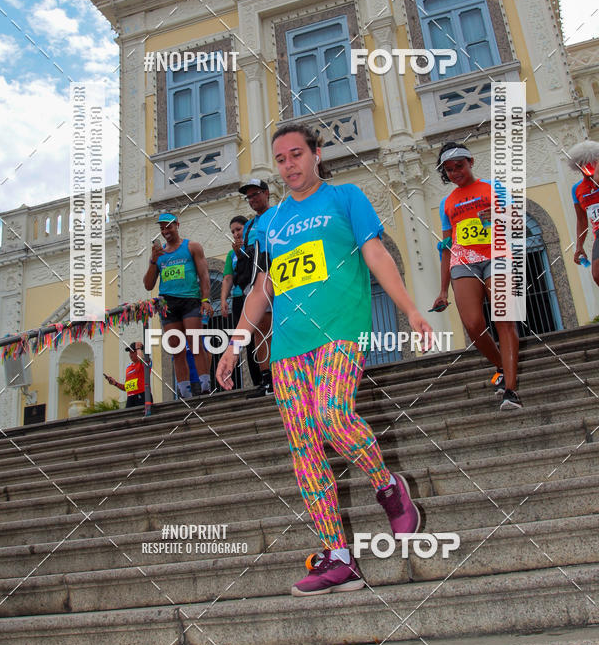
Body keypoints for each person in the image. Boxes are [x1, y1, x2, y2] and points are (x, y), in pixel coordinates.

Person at [216, 123, 433, 596]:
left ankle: (388, 486)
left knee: (333, 416)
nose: (289, 164)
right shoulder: (269, 223)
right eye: (281, 158)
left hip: (340, 329)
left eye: (297, 154)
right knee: (304, 447)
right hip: (289, 347)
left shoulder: (346, 197)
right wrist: (236, 344)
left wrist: (410, 309)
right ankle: (337, 556)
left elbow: (375, 253)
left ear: (316, 154)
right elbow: (262, 289)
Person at [431, 142, 521, 411]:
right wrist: (442, 290)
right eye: (449, 170)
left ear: (470, 161)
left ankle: (510, 390)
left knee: (504, 319)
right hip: (463, 261)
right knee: (472, 324)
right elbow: (447, 247)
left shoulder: (494, 187)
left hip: (497, 255)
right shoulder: (447, 203)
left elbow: (516, 219)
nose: (455, 172)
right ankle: (500, 364)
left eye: (459, 166)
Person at [143, 212, 213, 399]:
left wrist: (205, 300)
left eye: (169, 226)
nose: (165, 230)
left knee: (195, 343)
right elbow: (148, 284)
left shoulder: (192, 247)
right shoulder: (159, 255)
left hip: (190, 300)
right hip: (168, 303)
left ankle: (205, 385)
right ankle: (184, 391)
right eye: (162, 228)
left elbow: (204, 276)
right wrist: (152, 261)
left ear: (177, 225)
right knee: (176, 348)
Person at [237, 180, 274, 397]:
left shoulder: (279, 214)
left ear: (267, 193)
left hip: (281, 277)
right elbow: (249, 257)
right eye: (249, 197)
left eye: (256, 194)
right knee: (260, 329)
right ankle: (267, 379)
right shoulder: (249, 226)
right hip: (258, 281)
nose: (252, 200)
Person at [220, 215, 260, 388]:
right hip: (239, 298)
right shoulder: (231, 254)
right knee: (247, 339)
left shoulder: (256, 245)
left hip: (257, 295)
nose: (236, 234)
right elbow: (228, 277)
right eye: (233, 231)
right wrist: (223, 299)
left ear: (247, 228)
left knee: (262, 335)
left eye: (239, 229)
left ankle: (270, 376)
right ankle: (257, 381)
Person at [568, 140, 599, 287]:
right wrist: (579, 246)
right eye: (583, 164)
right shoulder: (577, 189)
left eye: (591, 162)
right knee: (597, 274)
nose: (587, 166)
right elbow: (581, 221)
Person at [105, 342, 151, 408]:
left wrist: (138, 348)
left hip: (142, 395)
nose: (130, 354)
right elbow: (127, 388)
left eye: (132, 352)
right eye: (129, 352)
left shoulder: (144, 363)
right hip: (130, 398)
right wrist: (115, 383)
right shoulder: (128, 368)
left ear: (138, 351)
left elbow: (143, 360)